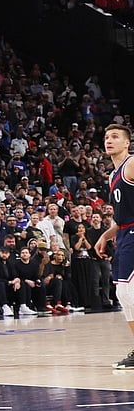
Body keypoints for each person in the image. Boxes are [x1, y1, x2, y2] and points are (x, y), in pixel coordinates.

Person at [94, 123, 134, 369]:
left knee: (128, 292)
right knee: (124, 294)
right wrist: (105, 236)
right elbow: (120, 218)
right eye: (107, 136)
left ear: (127, 143)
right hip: (125, 232)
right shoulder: (113, 175)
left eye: (115, 136)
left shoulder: (131, 164)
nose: (109, 140)